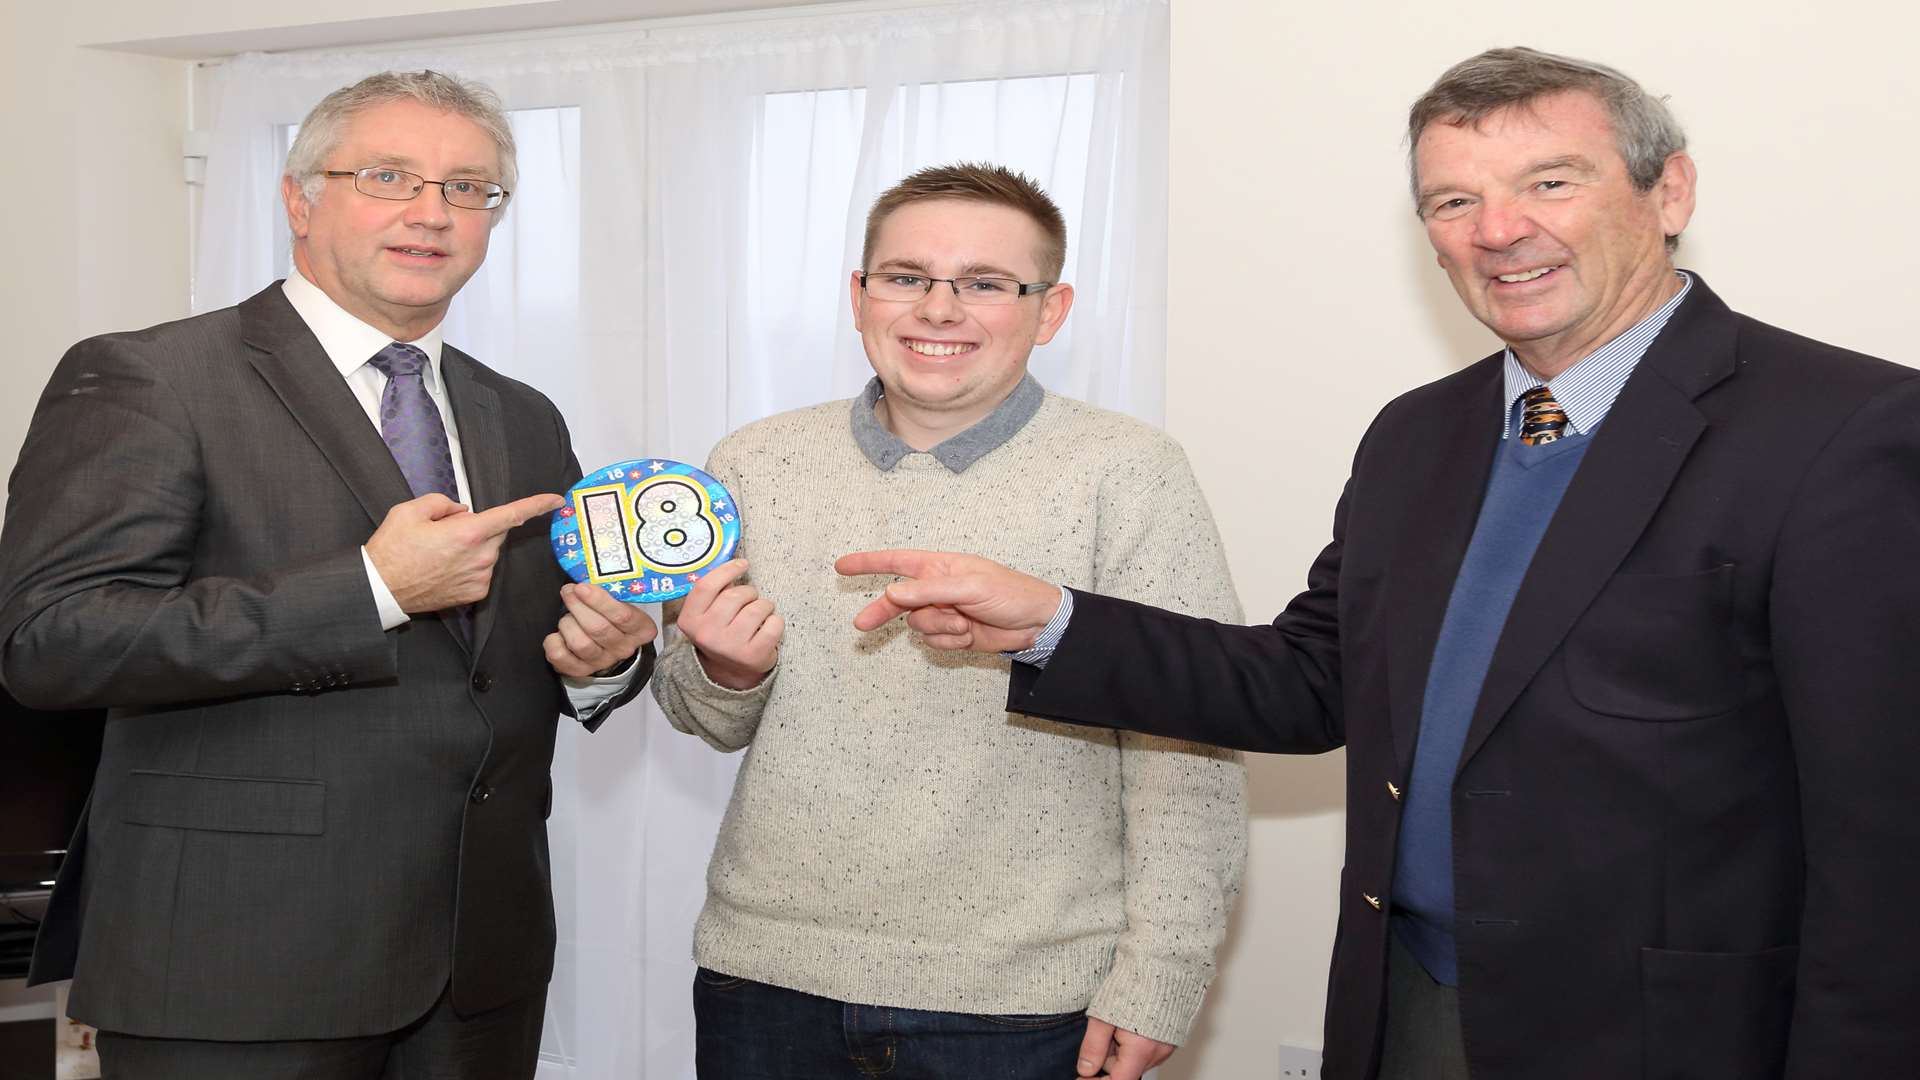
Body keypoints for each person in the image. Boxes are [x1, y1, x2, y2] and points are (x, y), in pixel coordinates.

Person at [837, 48, 1920, 1079]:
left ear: (1668, 192)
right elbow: (1311, 683)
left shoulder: (1843, 428)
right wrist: (1054, 622)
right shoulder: (1419, 434)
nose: (1499, 230)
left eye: (1550, 182)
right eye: (1453, 203)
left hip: (1682, 1034)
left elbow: (1885, 839)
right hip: (1410, 1001)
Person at [0, 70, 656, 1079]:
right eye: (390, 175)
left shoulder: (522, 415)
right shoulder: (150, 378)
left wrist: (599, 661)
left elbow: (505, 664)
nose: (432, 213)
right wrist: (372, 589)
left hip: (478, 968)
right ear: (300, 198)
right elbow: (53, 641)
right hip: (234, 967)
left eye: (468, 188)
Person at [650, 163, 1247, 1080]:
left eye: (985, 284)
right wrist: (725, 672)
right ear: (859, 296)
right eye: (906, 277)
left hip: (1024, 1007)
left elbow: (1190, 742)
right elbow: (712, 720)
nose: (940, 308)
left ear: (1050, 311)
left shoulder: (1128, 472)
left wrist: (1160, 976)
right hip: (763, 982)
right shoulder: (752, 461)